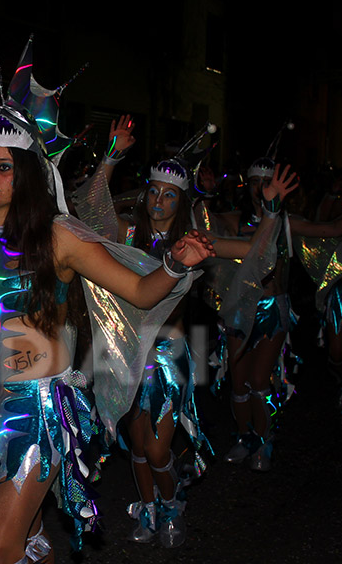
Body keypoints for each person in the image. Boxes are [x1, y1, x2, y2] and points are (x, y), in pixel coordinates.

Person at [0, 106, 215, 564]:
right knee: (29, 536)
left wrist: (175, 265)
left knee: (1, 544)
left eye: (3, 167)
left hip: (36, 412)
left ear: (27, 176)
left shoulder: (59, 237)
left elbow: (139, 291)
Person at [86, 121, 297, 546]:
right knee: (139, 446)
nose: (158, 200)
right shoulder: (126, 234)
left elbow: (256, 253)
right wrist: (109, 159)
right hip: (127, 352)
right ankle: (148, 510)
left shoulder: (193, 242)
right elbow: (90, 214)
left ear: (180, 201)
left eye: (169, 194)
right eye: (153, 191)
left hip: (169, 356)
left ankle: (172, 503)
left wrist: (271, 211)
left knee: (161, 449)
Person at [198, 157, 342, 470]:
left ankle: (264, 441)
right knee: (238, 382)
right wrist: (202, 189)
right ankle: (244, 437)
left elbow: (331, 228)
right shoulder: (235, 221)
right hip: (239, 309)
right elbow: (201, 223)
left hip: (273, 308)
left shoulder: (286, 222)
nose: (262, 188)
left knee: (258, 380)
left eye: (268, 183)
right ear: (249, 186)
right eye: (257, 182)